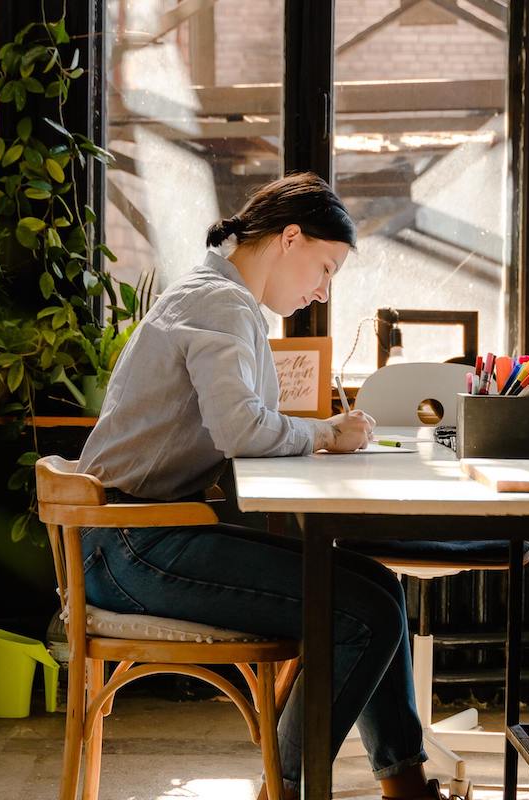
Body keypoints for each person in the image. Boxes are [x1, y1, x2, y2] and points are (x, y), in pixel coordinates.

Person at [76, 173, 457, 800]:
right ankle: (284, 790)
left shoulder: (218, 296)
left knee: (378, 587)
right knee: (359, 612)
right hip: (133, 545)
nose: (322, 288)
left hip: (136, 536)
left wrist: (318, 433)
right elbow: (241, 428)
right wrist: (329, 434)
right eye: (326, 267)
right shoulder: (220, 303)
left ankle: (405, 787)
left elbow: (241, 425)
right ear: (290, 237)